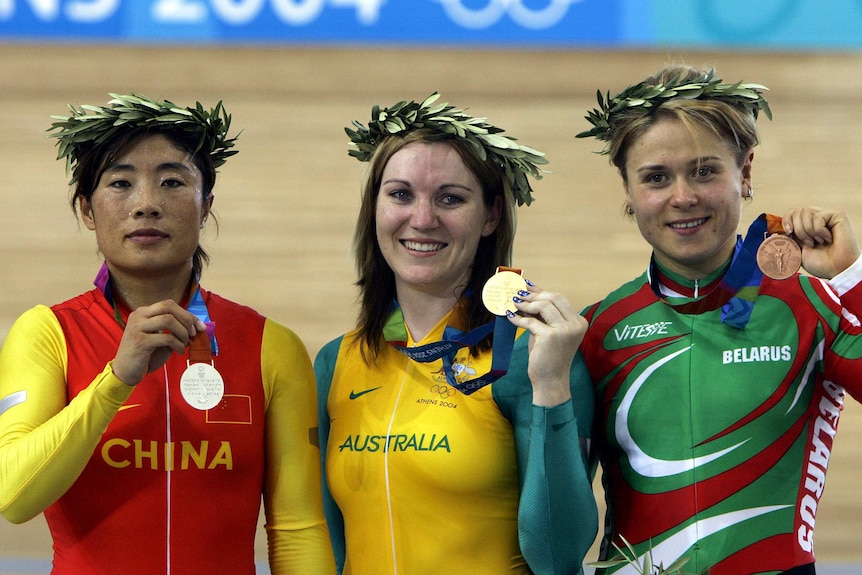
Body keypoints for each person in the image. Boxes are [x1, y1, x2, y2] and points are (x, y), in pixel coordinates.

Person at [0, 94, 335, 575]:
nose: (146, 204)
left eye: (173, 182)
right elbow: (13, 495)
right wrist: (117, 378)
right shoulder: (47, 333)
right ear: (87, 211)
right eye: (120, 183)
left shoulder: (271, 347)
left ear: (206, 206)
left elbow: (298, 529)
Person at [577, 64, 862, 575]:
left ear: (745, 173)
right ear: (627, 189)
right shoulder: (597, 330)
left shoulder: (810, 306)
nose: (683, 196)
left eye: (705, 170)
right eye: (656, 177)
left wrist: (849, 282)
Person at [314, 93, 598, 575]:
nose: (422, 219)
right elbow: (330, 546)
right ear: (375, 207)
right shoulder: (337, 360)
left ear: (490, 216)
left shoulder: (530, 355)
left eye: (450, 198)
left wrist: (550, 388)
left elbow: (558, 556)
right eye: (401, 194)